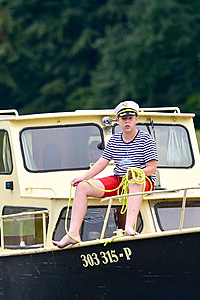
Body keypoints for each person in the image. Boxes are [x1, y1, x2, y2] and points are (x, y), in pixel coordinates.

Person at [54, 100, 158, 248]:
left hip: (141, 180)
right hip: (118, 180)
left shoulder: (146, 139)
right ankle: (73, 234)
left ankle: (129, 227)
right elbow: (102, 163)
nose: (127, 121)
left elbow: (152, 168)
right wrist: (83, 178)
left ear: (136, 119)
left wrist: (136, 173)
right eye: (123, 119)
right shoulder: (114, 140)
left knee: (135, 181)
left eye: (130, 118)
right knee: (83, 187)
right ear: (118, 121)